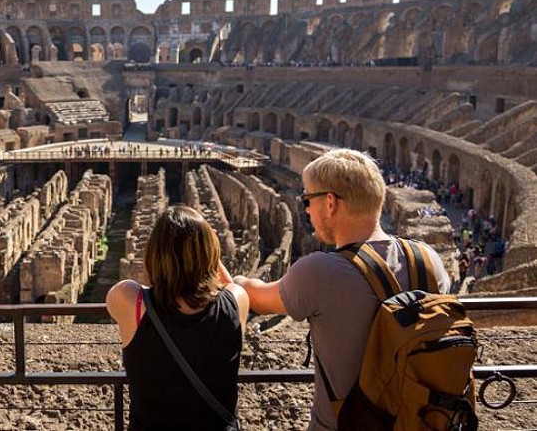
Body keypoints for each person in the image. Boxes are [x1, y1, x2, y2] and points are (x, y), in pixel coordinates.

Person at [233, 149, 450, 431]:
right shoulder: (428, 260)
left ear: (331, 203)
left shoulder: (320, 271)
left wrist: (233, 282)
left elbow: (258, 299)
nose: (307, 210)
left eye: (308, 199)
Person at [106, 205, 249, 431]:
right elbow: (228, 286)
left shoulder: (129, 300)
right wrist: (210, 248)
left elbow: (119, 298)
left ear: (153, 253)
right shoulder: (238, 301)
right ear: (209, 253)